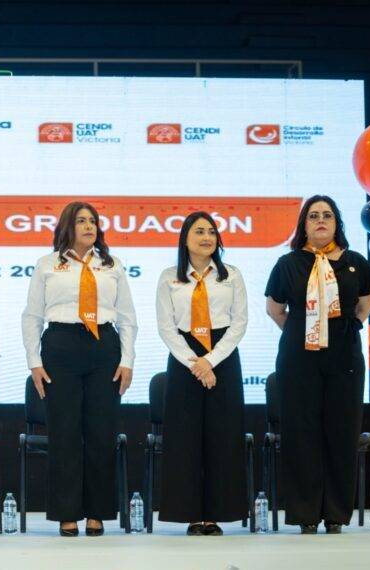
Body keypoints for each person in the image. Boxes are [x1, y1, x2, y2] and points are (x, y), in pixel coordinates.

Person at [21, 201, 137, 536]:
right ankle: (66, 512)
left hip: (104, 347)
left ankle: (98, 512)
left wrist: (127, 359)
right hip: (60, 346)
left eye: (94, 221)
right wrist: (34, 361)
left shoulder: (112, 265)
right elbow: (32, 316)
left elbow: (127, 317)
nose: (89, 226)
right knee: (65, 433)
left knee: (101, 433)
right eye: (82, 221)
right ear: (67, 227)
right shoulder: (47, 265)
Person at [265, 195, 370, 534]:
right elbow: (275, 309)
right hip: (299, 359)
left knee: (341, 434)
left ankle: (337, 515)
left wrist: (334, 332)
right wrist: (307, 331)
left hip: (344, 358)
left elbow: (365, 304)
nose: (321, 220)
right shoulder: (288, 264)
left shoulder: (356, 261)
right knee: (302, 434)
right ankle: (305, 514)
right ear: (304, 225)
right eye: (313, 216)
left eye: (327, 215)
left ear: (337, 223)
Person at [155, 211, 248, 535]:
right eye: (199, 231)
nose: (207, 237)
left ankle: (217, 514)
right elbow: (166, 327)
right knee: (185, 439)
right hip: (185, 359)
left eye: (211, 231)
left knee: (223, 437)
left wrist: (212, 360)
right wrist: (195, 362)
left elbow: (239, 323)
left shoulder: (231, 275)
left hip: (222, 355)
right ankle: (192, 515)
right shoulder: (169, 276)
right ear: (185, 239)